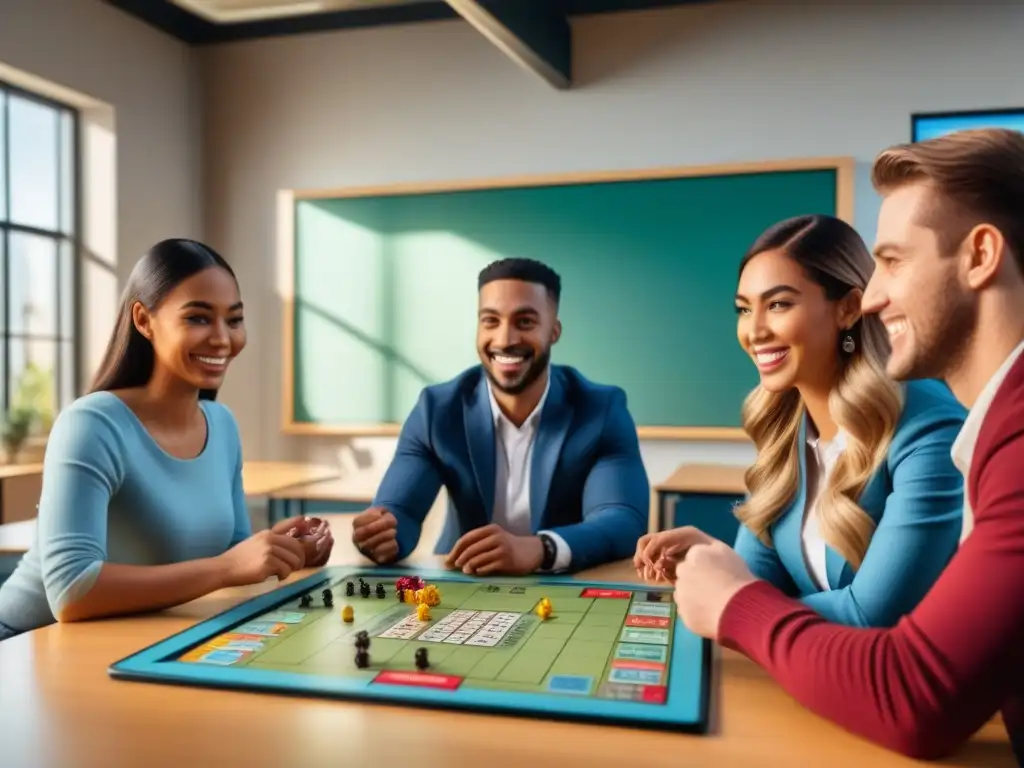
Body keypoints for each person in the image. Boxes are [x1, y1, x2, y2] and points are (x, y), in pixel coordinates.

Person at [648, 128, 1024, 762]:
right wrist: (732, 578)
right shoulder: (789, 429)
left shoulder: (958, 429)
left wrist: (738, 601)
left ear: (981, 254)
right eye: (744, 308)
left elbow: (909, 682)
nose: (876, 295)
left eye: (895, 260)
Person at [636, 214, 966, 628]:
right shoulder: (788, 426)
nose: (753, 331)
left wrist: (728, 596)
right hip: (815, 674)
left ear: (848, 309)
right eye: (743, 309)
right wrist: (717, 561)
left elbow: (871, 615)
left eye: (778, 304)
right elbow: (759, 582)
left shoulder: (928, 427)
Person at [0, 239, 333, 641]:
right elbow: (71, 592)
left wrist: (280, 550)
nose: (222, 339)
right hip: (26, 644)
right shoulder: (91, 425)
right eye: (198, 318)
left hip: (131, 640)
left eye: (234, 320)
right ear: (143, 320)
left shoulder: (222, 424)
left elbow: (231, 548)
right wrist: (229, 567)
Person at [351, 257, 649, 575]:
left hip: (566, 585)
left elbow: (622, 519)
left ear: (554, 331)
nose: (505, 339)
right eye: (491, 321)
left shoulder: (600, 409)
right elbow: (402, 512)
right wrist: (383, 536)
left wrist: (540, 549)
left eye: (525, 322)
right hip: (460, 582)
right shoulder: (437, 409)